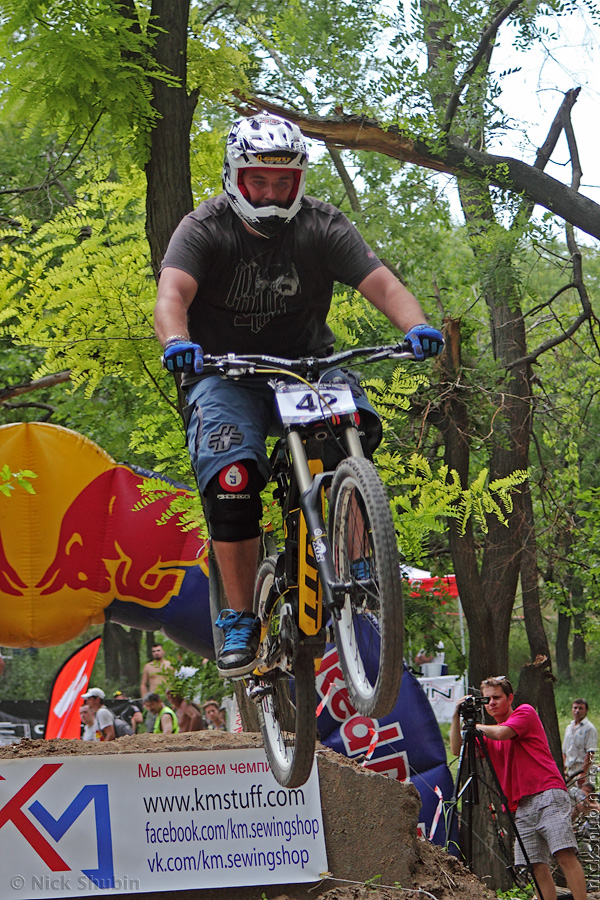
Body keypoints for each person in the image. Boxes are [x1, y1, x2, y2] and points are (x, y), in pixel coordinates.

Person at [154, 111, 444, 678]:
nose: (269, 192)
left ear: (299, 180)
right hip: (224, 373)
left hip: (309, 366)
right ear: (234, 178)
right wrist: (177, 341)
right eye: (257, 181)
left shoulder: (322, 224)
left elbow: (380, 281)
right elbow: (173, 293)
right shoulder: (204, 227)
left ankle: (355, 554)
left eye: (281, 181)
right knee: (232, 479)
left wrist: (415, 326)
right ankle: (237, 614)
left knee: (350, 428)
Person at [450, 676, 588, 900]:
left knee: (564, 854)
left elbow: (504, 733)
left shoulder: (524, 712)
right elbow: (457, 750)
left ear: (510, 698)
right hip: (521, 803)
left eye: (497, 697)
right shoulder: (488, 733)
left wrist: (474, 726)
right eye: (487, 699)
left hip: (547, 792)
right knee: (536, 865)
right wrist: (457, 716)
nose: (492, 703)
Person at [562, 698, 597, 781]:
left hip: (582, 770)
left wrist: (584, 773)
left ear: (586, 711)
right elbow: (564, 751)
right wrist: (562, 769)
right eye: (575, 708)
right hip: (570, 772)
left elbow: (591, 752)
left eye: (580, 708)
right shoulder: (569, 728)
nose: (577, 711)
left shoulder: (589, 728)